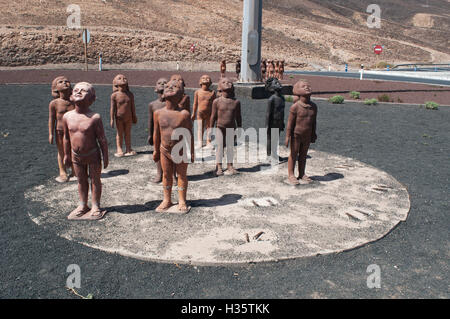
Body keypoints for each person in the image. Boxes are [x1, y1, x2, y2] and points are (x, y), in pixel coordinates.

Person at [62, 82, 109, 220]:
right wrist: (66, 155)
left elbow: (102, 139)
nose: (78, 92)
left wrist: (105, 156)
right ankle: (83, 205)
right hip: (76, 156)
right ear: (71, 96)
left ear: (92, 99)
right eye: (76, 90)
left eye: (83, 91)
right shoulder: (67, 117)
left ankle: (95, 205)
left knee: (95, 180)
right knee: (81, 180)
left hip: (93, 155)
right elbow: (66, 138)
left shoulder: (95, 117)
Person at [153, 79, 194, 213]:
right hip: (164, 149)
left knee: (181, 175)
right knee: (166, 175)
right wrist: (155, 150)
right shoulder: (158, 113)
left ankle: (182, 199)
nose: (170, 88)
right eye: (168, 86)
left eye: (175, 87)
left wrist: (192, 151)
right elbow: (156, 134)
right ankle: (167, 199)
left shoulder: (184, 114)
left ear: (181, 94)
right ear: (163, 94)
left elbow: (189, 134)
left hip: (180, 150)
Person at [285, 80, 317, 185]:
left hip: (307, 135)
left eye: (308, 86)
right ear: (297, 90)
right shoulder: (295, 107)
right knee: (293, 154)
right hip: (296, 135)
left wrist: (313, 133)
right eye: (303, 86)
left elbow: (314, 122)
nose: (307, 87)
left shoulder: (314, 107)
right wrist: (287, 136)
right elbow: (290, 123)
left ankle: (302, 173)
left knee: (303, 155)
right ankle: (291, 174)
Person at [210, 77, 242, 176]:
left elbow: (238, 117)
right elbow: (213, 116)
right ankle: (218, 166)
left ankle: (230, 165)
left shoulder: (236, 102)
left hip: (232, 128)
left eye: (229, 82)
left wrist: (239, 128)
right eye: (224, 82)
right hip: (220, 127)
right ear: (219, 87)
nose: (227, 83)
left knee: (230, 147)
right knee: (219, 147)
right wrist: (210, 129)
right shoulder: (217, 101)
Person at [48, 76, 75, 182]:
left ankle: (74, 170)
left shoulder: (74, 101)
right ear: (55, 87)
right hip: (60, 131)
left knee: (73, 151)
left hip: (73, 131)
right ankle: (62, 171)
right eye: (61, 82)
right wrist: (50, 133)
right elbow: (51, 119)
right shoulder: (54, 103)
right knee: (61, 152)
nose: (65, 83)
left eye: (67, 81)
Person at [110, 74, 137, 157]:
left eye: (124, 78)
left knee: (128, 133)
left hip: (128, 117)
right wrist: (111, 119)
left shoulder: (130, 94)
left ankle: (128, 148)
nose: (123, 79)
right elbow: (112, 108)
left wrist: (134, 116)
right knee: (120, 133)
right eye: (120, 78)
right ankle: (119, 148)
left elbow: (132, 106)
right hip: (119, 118)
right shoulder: (114, 95)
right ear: (115, 83)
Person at [148, 77, 168, 183]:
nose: (162, 84)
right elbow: (150, 121)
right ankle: (159, 173)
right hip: (158, 133)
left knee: (171, 154)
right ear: (155, 88)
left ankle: (171, 174)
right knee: (158, 154)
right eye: (159, 83)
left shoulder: (171, 104)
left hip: (169, 134)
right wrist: (150, 134)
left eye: (165, 83)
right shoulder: (152, 105)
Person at [191, 75, 216, 146]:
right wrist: (193, 113)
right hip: (200, 113)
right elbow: (195, 103)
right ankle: (200, 142)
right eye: (203, 78)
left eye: (208, 78)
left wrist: (215, 114)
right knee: (200, 127)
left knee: (209, 127)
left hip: (209, 113)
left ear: (210, 82)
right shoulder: (197, 92)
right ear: (200, 82)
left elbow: (214, 104)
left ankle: (208, 141)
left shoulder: (212, 92)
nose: (205, 79)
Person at [265, 77, 285, 158]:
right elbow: (268, 113)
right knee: (270, 138)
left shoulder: (282, 98)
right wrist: (267, 125)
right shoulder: (271, 99)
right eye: (276, 83)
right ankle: (269, 155)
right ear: (271, 87)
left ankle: (274, 154)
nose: (279, 84)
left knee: (276, 138)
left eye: (279, 82)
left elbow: (282, 111)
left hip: (279, 121)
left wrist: (282, 122)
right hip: (272, 122)